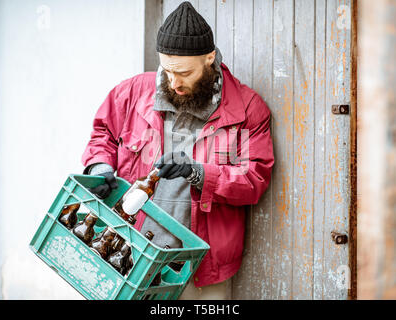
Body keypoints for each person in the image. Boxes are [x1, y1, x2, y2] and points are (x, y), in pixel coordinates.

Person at [81, 1, 274, 300]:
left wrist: (199, 173)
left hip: (199, 267)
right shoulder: (132, 92)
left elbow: (253, 181)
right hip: (126, 250)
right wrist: (98, 167)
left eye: (183, 72)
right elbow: (102, 133)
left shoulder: (248, 109)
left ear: (210, 59)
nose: (174, 82)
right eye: (167, 70)